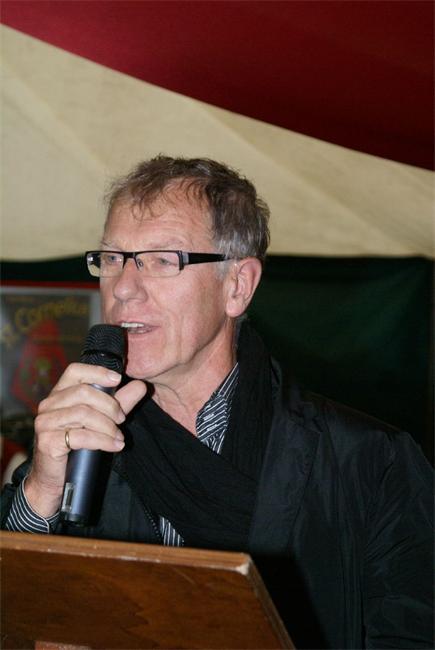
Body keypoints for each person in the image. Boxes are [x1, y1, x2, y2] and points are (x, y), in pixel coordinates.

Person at [1, 156, 433, 649]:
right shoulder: (80, 445)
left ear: (238, 286)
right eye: (112, 258)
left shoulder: (371, 462)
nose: (123, 288)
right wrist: (41, 490)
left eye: (162, 260)